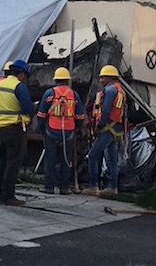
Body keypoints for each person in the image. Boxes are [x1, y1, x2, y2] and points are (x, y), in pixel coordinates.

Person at [0, 59, 35, 206]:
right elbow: (28, 108)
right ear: (21, 74)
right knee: (13, 163)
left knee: (1, 162)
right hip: (14, 129)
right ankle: (8, 195)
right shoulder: (19, 86)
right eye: (25, 76)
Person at [36, 67, 85, 195]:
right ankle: (64, 187)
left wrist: (41, 128)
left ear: (56, 80)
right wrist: (77, 128)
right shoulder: (74, 95)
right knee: (66, 160)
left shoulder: (49, 93)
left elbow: (41, 114)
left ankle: (49, 187)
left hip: (51, 130)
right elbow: (80, 116)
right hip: (68, 132)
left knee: (50, 159)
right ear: (67, 80)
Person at [83, 65, 126, 197]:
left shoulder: (110, 90)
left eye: (103, 77)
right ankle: (113, 187)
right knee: (112, 160)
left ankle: (93, 186)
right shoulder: (120, 90)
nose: (101, 80)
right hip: (116, 128)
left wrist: (100, 126)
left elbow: (106, 110)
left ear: (109, 77)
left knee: (93, 155)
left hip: (107, 128)